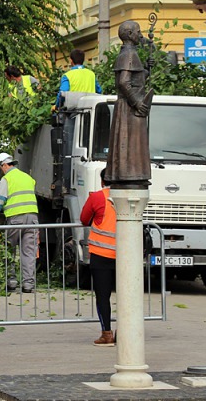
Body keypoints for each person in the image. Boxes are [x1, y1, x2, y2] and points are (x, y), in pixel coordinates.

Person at [104, 20, 152, 187]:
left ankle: (132, 173)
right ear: (130, 35)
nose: (140, 35)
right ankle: (130, 174)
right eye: (138, 32)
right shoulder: (129, 55)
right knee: (130, 145)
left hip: (128, 108)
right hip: (129, 109)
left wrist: (145, 70)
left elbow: (135, 80)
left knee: (132, 146)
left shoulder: (128, 54)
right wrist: (137, 102)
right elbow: (124, 83)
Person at [0, 152, 39, 293]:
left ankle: (11, 282)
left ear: (4, 165)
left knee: (9, 250)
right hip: (32, 218)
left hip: (15, 219)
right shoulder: (28, 178)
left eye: (1, 168)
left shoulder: (7, 179)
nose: (2, 171)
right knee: (29, 252)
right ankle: (28, 284)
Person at [80, 171, 116, 346]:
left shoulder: (97, 197)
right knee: (127, 298)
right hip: (125, 256)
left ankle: (107, 334)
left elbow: (84, 218)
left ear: (102, 181)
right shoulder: (127, 197)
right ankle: (125, 333)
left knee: (103, 296)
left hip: (101, 255)